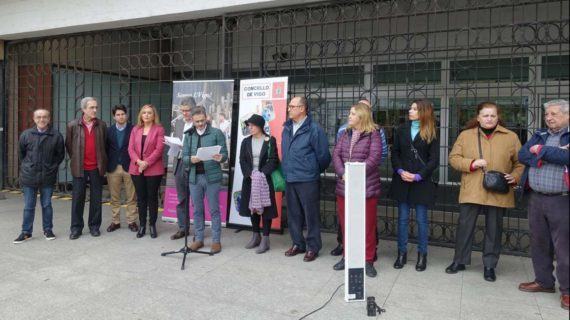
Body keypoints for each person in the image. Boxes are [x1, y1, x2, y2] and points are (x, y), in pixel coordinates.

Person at [447, 101, 524, 281]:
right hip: (472, 188)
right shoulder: (466, 136)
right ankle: (459, 260)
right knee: (465, 227)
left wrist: (516, 176)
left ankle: (489, 265)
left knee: (494, 229)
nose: (489, 119)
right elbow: (454, 158)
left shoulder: (511, 137)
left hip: (499, 189)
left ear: (498, 117)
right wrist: (471, 163)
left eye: (493, 115)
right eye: (485, 115)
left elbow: (521, 163)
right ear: (478, 117)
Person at [517, 99, 569, 310]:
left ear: (567, 115)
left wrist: (542, 152)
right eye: (547, 114)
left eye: (554, 114)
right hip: (536, 197)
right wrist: (546, 153)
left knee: (564, 247)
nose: (549, 118)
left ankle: (567, 291)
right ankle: (544, 282)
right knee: (539, 242)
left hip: (562, 198)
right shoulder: (541, 134)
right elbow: (522, 154)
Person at [331, 98, 388, 257]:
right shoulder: (345, 133)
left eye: (353, 114)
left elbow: (374, 157)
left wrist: (354, 174)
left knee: (367, 226)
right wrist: (343, 173)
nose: (349, 116)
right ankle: (347, 257)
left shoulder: (374, 134)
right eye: (350, 113)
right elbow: (336, 154)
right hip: (345, 186)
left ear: (362, 117)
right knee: (346, 225)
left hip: (366, 187)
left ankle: (368, 259)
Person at [389, 99, 439, 271]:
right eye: (411, 108)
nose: (410, 111)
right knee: (402, 220)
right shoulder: (401, 130)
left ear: (423, 112)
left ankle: (422, 255)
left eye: (414, 109)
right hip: (402, 180)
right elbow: (394, 153)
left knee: (421, 221)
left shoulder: (432, 132)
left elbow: (434, 160)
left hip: (421, 183)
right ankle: (401, 253)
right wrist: (400, 171)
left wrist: (419, 176)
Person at [282, 96, 331, 262]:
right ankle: (298, 243)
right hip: (290, 177)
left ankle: (313, 247)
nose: (289, 109)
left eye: (292, 106)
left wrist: (312, 170)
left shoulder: (314, 129)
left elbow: (324, 156)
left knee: (311, 215)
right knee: (293, 214)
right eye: (289, 106)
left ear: (302, 108)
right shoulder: (287, 128)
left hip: (307, 179)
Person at [13, 109, 65, 243]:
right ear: (34, 119)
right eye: (39, 117)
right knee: (28, 206)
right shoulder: (26, 134)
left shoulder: (56, 135)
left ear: (49, 119)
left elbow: (60, 155)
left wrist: (51, 168)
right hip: (29, 176)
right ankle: (26, 232)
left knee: (47, 205)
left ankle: (48, 229)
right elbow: (21, 154)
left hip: (47, 176)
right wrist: (28, 166)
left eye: (45, 117)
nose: (42, 120)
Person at [183, 106, 228, 254]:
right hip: (194, 178)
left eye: (202, 121)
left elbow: (225, 155)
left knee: (214, 209)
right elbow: (184, 158)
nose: (200, 124)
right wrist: (191, 159)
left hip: (212, 177)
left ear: (206, 117)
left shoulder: (216, 133)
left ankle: (216, 241)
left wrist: (221, 157)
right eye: (197, 122)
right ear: (193, 121)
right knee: (197, 210)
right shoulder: (189, 135)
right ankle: (199, 239)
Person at [66, 97, 108, 240]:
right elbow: (70, 147)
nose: (95, 110)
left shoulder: (101, 125)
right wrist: (77, 160)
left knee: (96, 199)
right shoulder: (73, 125)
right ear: (83, 109)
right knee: (78, 198)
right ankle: (76, 228)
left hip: (97, 167)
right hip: (80, 167)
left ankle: (94, 226)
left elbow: (105, 146)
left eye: (96, 107)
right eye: (92, 107)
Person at [239, 114, 280, 254]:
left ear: (260, 126)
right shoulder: (245, 142)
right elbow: (242, 160)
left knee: (266, 209)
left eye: (252, 125)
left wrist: (262, 173)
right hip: (250, 179)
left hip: (264, 179)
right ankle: (255, 235)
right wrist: (250, 173)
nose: (249, 128)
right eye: (248, 126)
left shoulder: (270, 140)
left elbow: (274, 160)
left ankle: (266, 239)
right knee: (253, 208)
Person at [128, 104, 165, 238]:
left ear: (154, 115)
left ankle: (152, 225)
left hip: (154, 169)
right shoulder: (135, 129)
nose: (147, 115)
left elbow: (159, 149)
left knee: (152, 197)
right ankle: (142, 225)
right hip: (136, 168)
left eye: (149, 112)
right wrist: (138, 162)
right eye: (144, 112)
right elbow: (130, 149)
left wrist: (146, 163)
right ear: (141, 115)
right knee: (141, 198)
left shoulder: (159, 129)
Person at [105, 104, 138, 233]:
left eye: (123, 114)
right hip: (113, 167)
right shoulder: (108, 131)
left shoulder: (134, 129)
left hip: (130, 166)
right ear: (114, 117)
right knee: (114, 197)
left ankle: (131, 221)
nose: (121, 116)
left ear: (127, 115)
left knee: (131, 196)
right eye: (118, 114)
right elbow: (105, 148)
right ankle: (115, 221)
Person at [170, 98, 195, 240]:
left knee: (196, 199)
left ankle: (198, 230)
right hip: (179, 162)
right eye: (183, 110)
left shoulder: (199, 122)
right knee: (182, 199)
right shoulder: (178, 123)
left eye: (187, 110)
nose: (185, 113)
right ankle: (183, 228)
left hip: (194, 163)